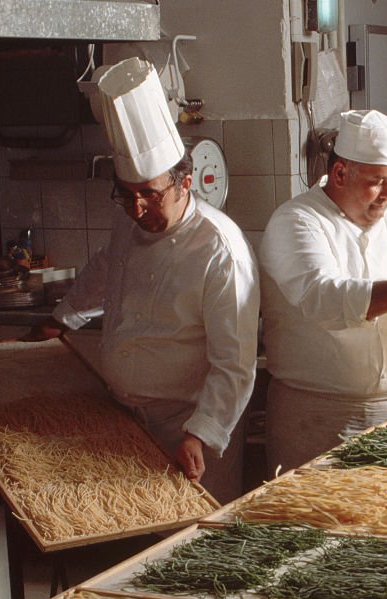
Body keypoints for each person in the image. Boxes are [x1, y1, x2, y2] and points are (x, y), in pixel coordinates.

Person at [27, 58, 260, 504]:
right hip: (124, 420)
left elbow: (234, 365)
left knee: (191, 543)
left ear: (185, 182)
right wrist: (63, 319)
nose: (137, 209)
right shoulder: (129, 223)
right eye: (125, 194)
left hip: (187, 427)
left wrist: (201, 434)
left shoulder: (219, 250)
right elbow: (105, 270)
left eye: (150, 195)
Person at [259, 109, 387, 479]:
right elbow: (324, 299)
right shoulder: (297, 221)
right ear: (341, 172)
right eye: (378, 181)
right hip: (322, 423)